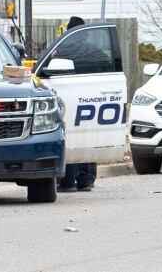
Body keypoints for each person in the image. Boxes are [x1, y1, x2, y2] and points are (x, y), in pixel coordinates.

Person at [57, 16, 98, 193]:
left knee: (71, 138)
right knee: (87, 138)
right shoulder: (95, 51)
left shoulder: (63, 50)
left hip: (70, 99)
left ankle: (68, 182)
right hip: (90, 101)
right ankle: (86, 180)